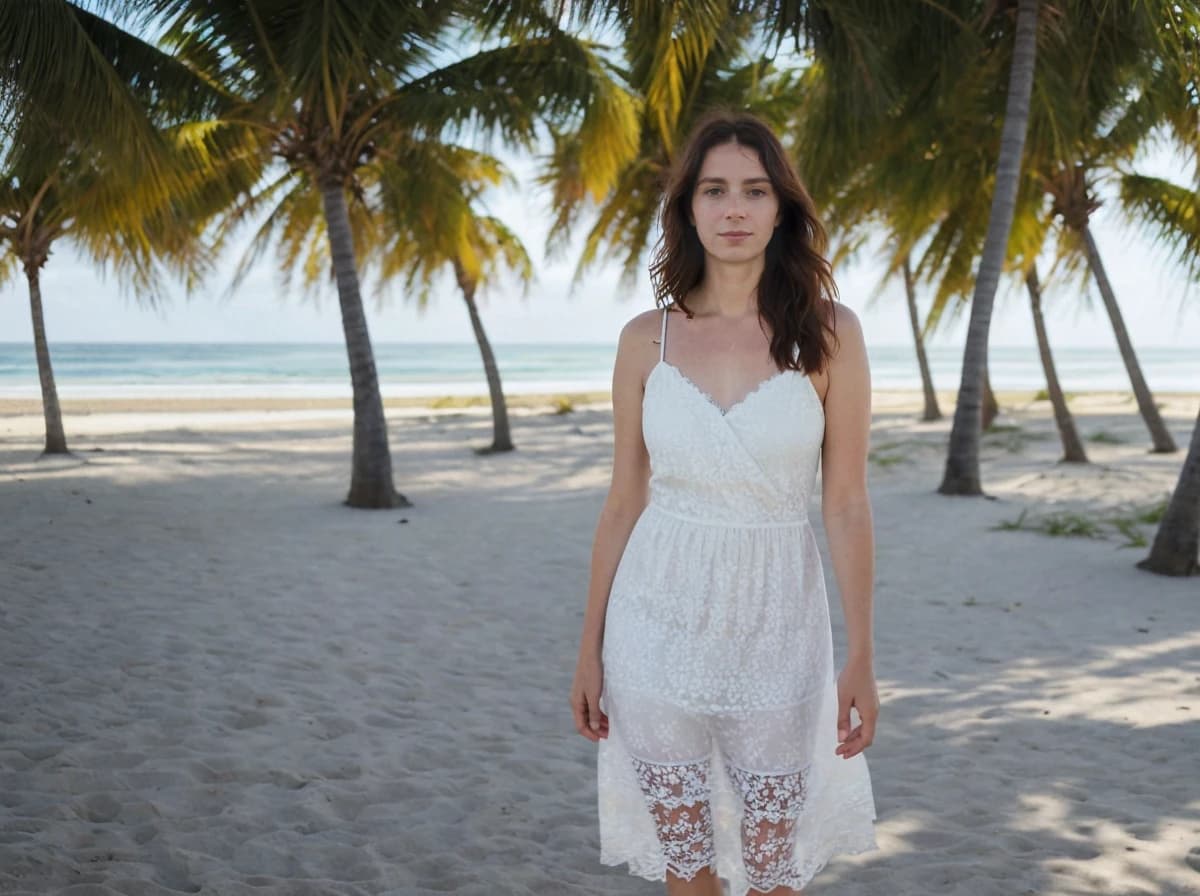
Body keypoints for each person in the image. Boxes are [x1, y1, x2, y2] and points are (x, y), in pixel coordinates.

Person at [570, 110, 880, 896]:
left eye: (753, 190)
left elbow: (845, 503)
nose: (734, 209)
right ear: (689, 208)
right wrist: (588, 649)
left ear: (782, 208)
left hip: (779, 619)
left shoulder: (831, 335)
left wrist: (862, 656)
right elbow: (623, 499)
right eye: (714, 191)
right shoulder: (647, 340)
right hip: (653, 620)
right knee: (687, 864)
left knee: (776, 869)